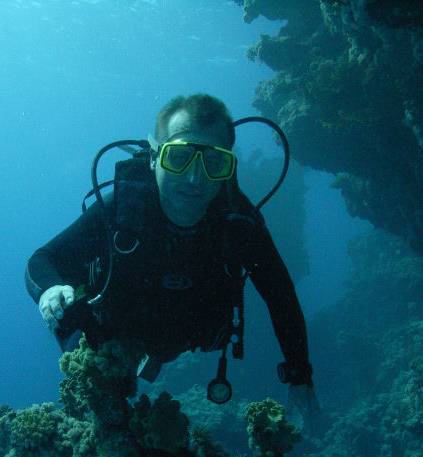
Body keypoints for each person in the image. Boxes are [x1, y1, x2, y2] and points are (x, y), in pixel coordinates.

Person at [25, 93, 320, 428]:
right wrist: (50, 290)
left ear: (228, 168)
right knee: (104, 391)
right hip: (108, 335)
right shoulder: (122, 210)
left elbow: (280, 295)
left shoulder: (239, 222)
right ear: (154, 158)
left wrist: (300, 376)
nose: (195, 179)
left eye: (214, 163)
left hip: (179, 338)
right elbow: (42, 260)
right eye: (178, 157)